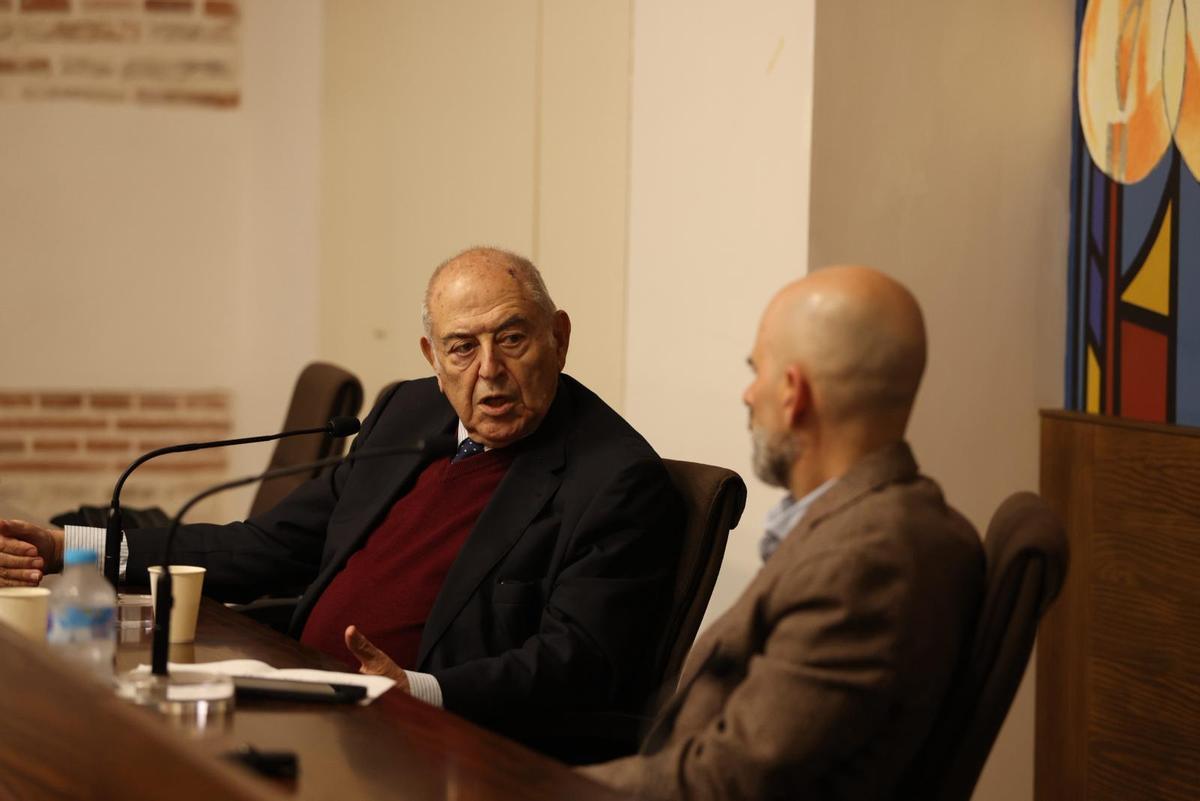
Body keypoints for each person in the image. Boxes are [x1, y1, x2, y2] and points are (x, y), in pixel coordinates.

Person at [0, 247, 684, 759]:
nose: (490, 371)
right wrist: (73, 549)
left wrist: (416, 688)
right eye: (462, 347)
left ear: (558, 337)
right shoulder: (408, 413)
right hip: (302, 698)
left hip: (436, 746)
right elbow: (266, 545)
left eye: (511, 338)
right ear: (432, 356)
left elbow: (577, 665)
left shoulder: (614, 478)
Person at [580, 266, 984, 799]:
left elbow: (726, 781)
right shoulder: (876, 524)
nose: (749, 395)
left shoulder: (866, 561)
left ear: (793, 394)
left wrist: (530, 785)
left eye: (758, 371)